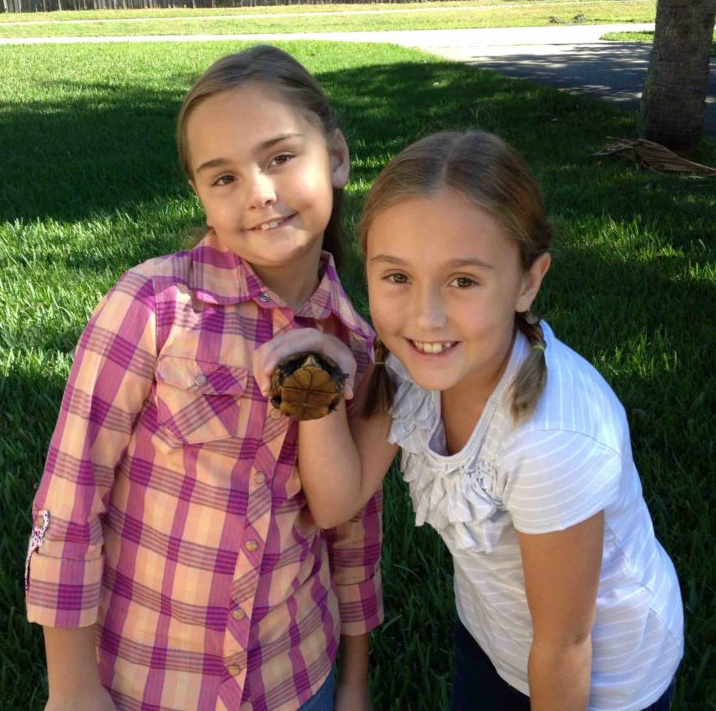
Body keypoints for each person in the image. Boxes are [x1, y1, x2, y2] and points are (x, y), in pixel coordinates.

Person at [255, 130, 684, 711]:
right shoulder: (410, 369)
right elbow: (336, 501)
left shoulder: (550, 440)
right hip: (493, 635)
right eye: (397, 277)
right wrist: (316, 390)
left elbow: (565, 646)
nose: (426, 317)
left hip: (599, 680)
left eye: (463, 281)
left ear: (527, 282)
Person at [25, 45, 383, 711]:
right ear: (200, 195)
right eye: (224, 178)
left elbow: (353, 530)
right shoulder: (152, 308)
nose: (259, 193)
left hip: (296, 677)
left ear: (335, 157)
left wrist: (355, 680)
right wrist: (72, 686)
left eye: (280, 158)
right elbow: (71, 496)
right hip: (148, 681)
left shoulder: (357, 347)